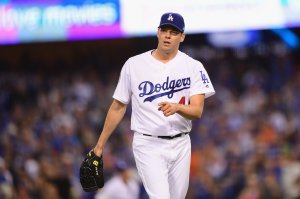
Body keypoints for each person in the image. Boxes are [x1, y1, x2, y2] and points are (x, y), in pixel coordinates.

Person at [92, 12, 215, 199]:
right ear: (158, 32)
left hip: (181, 143)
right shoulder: (134, 65)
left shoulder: (193, 66)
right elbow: (118, 106)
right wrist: (99, 146)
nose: (167, 35)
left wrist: (178, 107)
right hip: (148, 143)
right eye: (164, 30)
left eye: (173, 32)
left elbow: (197, 111)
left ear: (182, 36)